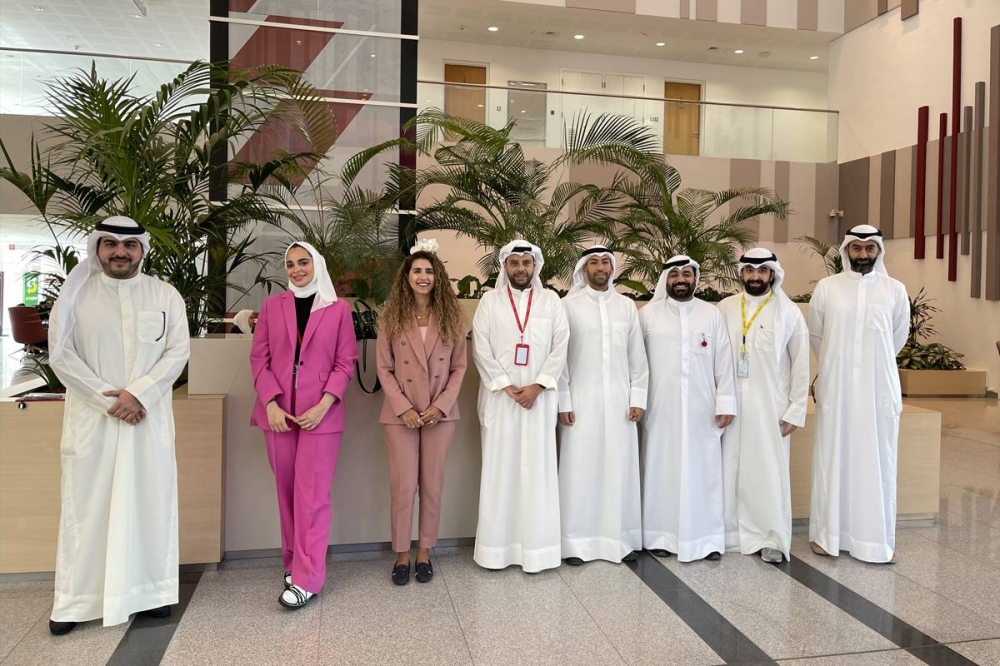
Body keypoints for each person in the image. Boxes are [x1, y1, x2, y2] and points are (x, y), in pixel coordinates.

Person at [46, 216, 190, 635]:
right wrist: (109, 399)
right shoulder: (76, 296)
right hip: (94, 422)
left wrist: (139, 394)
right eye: (110, 243)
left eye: (129, 245)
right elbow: (61, 355)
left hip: (146, 420)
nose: (120, 252)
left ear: (142, 250)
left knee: (149, 504)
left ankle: (151, 592)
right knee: (87, 508)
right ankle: (75, 601)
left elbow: (177, 352)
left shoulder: (165, 295)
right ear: (98, 248)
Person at [250, 242, 358, 608]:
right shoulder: (272, 306)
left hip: (320, 415)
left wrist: (324, 404)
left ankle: (308, 578)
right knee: (286, 493)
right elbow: (258, 359)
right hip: (278, 414)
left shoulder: (337, 308)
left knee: (311, 496)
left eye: (303, 262)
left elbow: (346, 361)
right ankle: (293, 562)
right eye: (290, 264)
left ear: (317, 265)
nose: (296, 269)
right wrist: (270, 404)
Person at [808, 225, 909, 563]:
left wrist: (870, 366)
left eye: (869, 248)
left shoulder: (894, 290)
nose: (863, 254)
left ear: (878, 251)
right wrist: (836, 366)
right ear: (847, 250)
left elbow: (897, 339)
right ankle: (828, 535)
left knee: (877, 461)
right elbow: (817, 337)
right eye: (857, 248)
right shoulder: (827, 288)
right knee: (832, 458)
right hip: (836, 387)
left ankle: (874, 540)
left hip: (877, 389)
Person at [471, 240, 569, 572]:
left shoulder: (551, 301)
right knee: (501, 472)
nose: (521, 268)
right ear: (505, 266)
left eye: (526, 262)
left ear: (535, 266)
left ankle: (539, 551)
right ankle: (495, 551)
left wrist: (537, 386)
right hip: (501, 399)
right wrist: (506, 385)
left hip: (539, 400)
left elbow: (560, 346)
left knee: (538, 472)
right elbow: (480, 347)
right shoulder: (489, 301)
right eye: (514, 263)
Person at [376, 239, 468, 585]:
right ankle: (401, 555)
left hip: (439, 415)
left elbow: (459, 368)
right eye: (417, 271)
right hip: (400, 416)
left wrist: (440, 406)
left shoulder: (452, 318)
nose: (423, 276)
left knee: (432, 485)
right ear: (406, 277)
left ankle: (424, 553)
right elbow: (384, 369)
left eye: (429, 271)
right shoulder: (391, 317)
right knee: (403, 487)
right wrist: (404, 408)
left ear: (437, 277)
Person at [640, 255, 737, 563]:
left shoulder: (711, 314)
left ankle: (706, 539)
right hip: (660, 408)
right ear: (665, 279)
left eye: (686, 274)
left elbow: (724, 361)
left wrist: (726, 402)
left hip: (703, 409)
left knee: (704, 473)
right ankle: (659, 536)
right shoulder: (648, 315)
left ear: (695, 278)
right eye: (674, 274)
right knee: (661, 469)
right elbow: (636, 363)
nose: (680, 279)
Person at [718, 248, 810, 564]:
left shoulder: (788, 312)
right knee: (729, 468)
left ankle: (770, 537)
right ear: (741, 273)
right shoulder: (726, 307)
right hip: (731, 405)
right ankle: (729, 534)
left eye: (762, 271)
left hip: (771, 408)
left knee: (768, 472)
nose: (755, 277)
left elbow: (801, 363)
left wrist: (796, 409)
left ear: (772, 274)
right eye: (749, 271)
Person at [557, 246, 648, 565]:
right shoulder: (568, 306)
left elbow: (637, 357)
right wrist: (563, 400)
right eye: (593, 262)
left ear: (612, 268)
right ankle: (576, 543)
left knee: (620, 469)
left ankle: (622, 540)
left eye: (605, 262)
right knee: (580, 470)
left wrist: (637, 398)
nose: (600, 267)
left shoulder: (626, 306)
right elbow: (560, 359)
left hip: (621, 402)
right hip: (581, 401)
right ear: (584, 269)